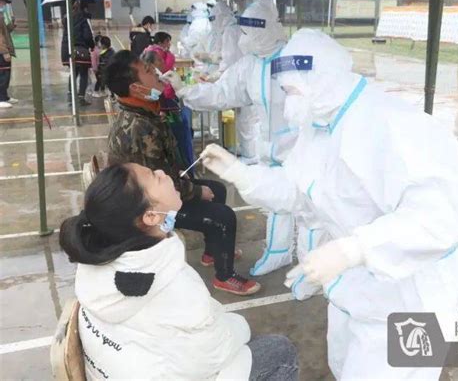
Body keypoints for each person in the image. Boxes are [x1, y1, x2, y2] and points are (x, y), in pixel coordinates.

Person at [201, 28, 458, 380]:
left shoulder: (397, 125)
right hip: (359, 290)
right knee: (345, 366)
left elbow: (436, 219)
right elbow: (299, 189)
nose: (287, 103)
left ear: (323, 81)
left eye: (291, 92)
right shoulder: (320, 125)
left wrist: (353, 249)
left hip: (416, 296)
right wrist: (243, 174)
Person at [59, 163, 298, 380]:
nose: (163, 172)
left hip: (113, 369)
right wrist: (239, 326)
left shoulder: (94, 259)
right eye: (155, 176)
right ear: (151, 216)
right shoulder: (174, 283)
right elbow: (212, 354)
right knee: (279, 349)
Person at [164, 0, 300, 282]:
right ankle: (280, 250)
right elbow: (222, 93)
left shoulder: (294, 59)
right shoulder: (250, 65)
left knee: (309, 209)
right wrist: (184, 90)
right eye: (245, 31)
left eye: (252, 32)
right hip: (270, 148)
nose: (245, 38)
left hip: (301, 148)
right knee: (278, 201)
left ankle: (309, 264)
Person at [104, 50, 260, 296]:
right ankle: (225, 276)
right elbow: (159, 188)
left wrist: (188, 178)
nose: (156, 74)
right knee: (223, 216)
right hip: (146, 209)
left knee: (217, 189)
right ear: (136, 88)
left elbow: (163, 170)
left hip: (151, 192)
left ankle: (213, 252)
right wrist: (196, 190)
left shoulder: (144, 112)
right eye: (148, 72)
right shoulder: (140, 128)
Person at [207, 1, 259, 163]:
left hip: (243, 80)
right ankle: (247, 151)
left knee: (246, 119)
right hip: (245, 77)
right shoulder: (233, 28)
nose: (213, 21)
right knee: (246, 118)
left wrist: (218, 75)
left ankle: (250, 155)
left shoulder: (230, 31)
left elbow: (229, 59)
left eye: (214, 18)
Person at [141, 49, 195, 173]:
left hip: (174, 114)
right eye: (159, 60)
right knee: (180, 151)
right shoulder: (152, 82)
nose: (163, 62)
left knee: (183, 148)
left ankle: (188, 171)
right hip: (171, 117)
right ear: (150, 65)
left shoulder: (161, 77)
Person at [61, 0, 94, 106]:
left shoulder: (66, 20)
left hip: (69, 50)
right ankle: (81, 98)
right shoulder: (83, 20)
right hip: (81, 50)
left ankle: (71, 96)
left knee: (73, 73)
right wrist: (92, 45)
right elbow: (87, 36)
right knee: (83, 74)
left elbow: (65, 38)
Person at [0, 0, 17, 109]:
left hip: (4, 49)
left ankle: (5, 96)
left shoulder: (1, 16)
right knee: (3, 74)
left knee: (6, 74)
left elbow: (5, 30)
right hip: (1, 50)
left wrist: (12, 24)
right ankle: (1, 98)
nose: (5, 5)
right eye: (4, 2)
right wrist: (5, 51)